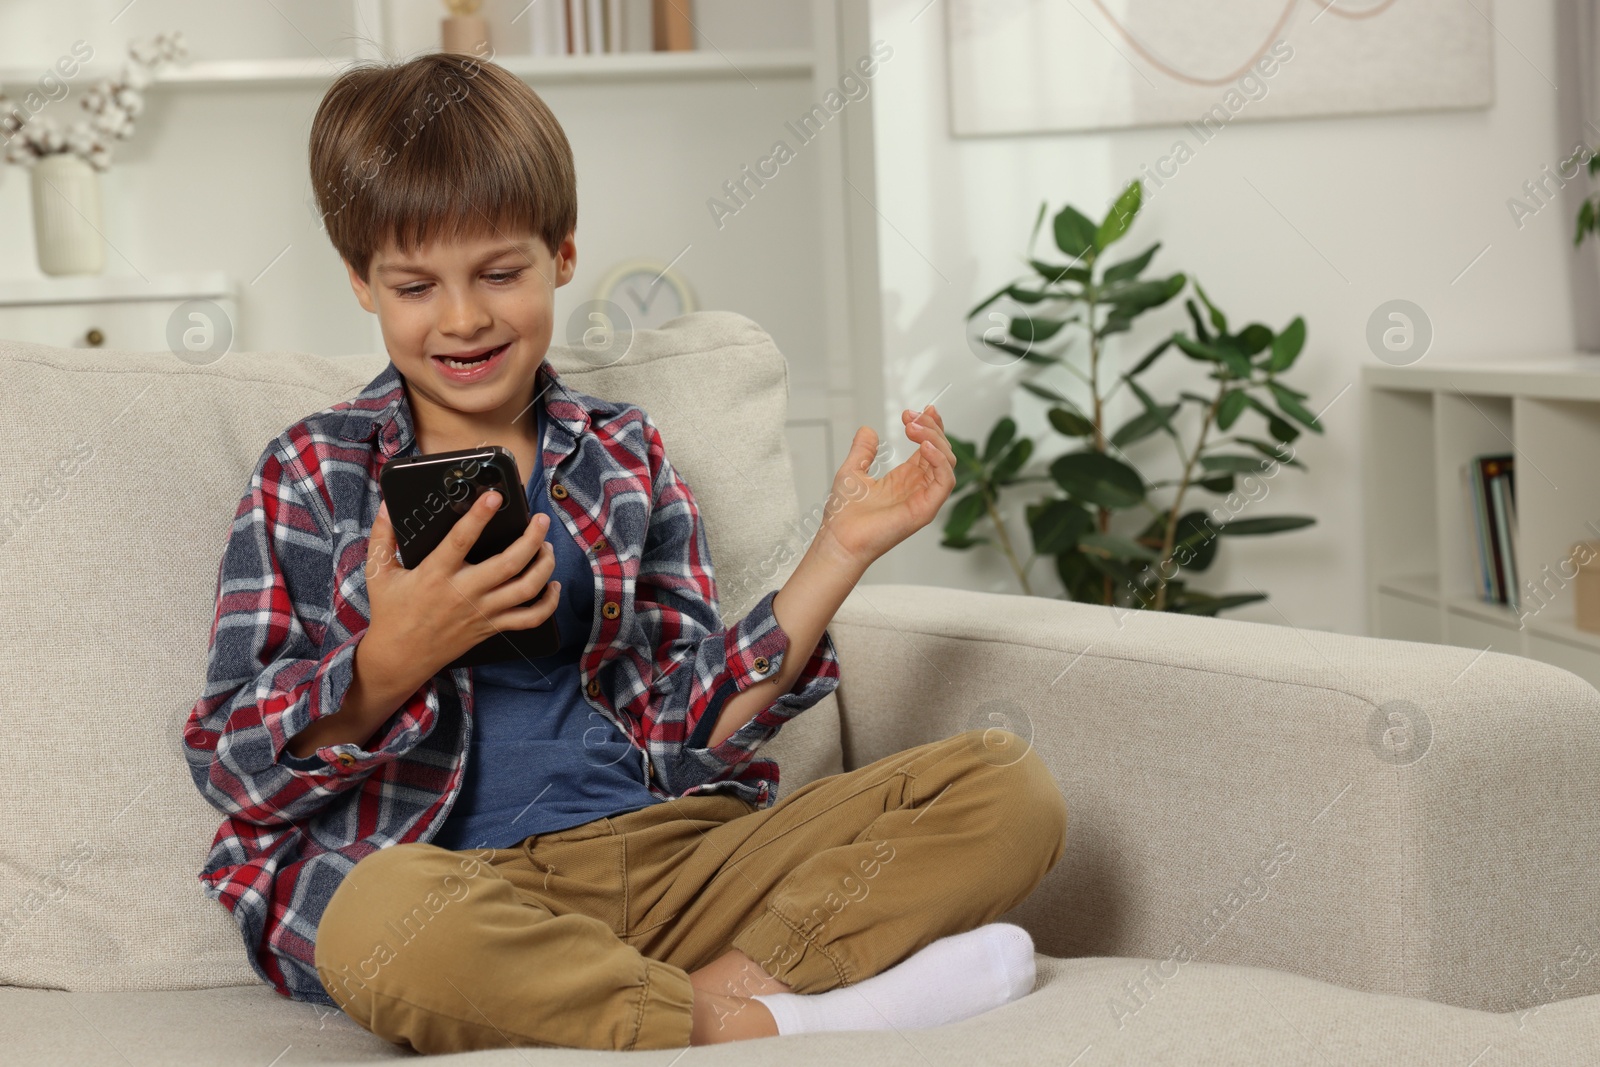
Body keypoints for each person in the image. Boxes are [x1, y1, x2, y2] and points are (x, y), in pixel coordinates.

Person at [181, 50, 1069, 1054]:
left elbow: (678, 726)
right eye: (416, 284)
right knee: (373, 922)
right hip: (459, 888)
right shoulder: (312, 471)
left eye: (500, 272)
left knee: (1005, 786)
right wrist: (393, 657)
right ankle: (782, 1016)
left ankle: (714, 1006)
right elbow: (232, 765)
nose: (463, 317)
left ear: (561, 254)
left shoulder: (622, 456)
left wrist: (836, 552)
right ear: (360, 283)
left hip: (671, 854)